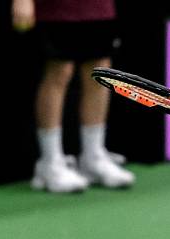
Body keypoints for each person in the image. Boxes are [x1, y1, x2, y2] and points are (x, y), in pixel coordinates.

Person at [11, 0, 135, 193]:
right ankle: (50, 162)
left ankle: (93, 157)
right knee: (61, 71)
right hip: (56, 8)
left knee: (100, 70)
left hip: (98, 7)